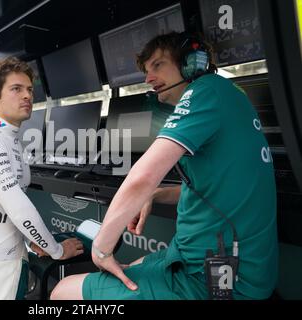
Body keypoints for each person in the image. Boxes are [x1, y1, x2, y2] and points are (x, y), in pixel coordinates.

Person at [51, 31, 278, 300]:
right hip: (196, 257)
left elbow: (142, 175)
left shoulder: (206, 90)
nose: (148, 79)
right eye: (147, 71)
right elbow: (214, 186)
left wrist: (101, 249)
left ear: (190, 64)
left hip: (219, 280)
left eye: (158, 65)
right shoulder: (226, 94)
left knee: (62, 291)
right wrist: (155, 194)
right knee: (135, 264)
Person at [0, 56, 84, 300]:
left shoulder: (9, 139)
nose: (27, 96)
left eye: (29, 90)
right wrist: (54, 250)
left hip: (6, 265)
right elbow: (18, 207)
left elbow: (5, 208)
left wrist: (34, 242)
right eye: (16, 89)